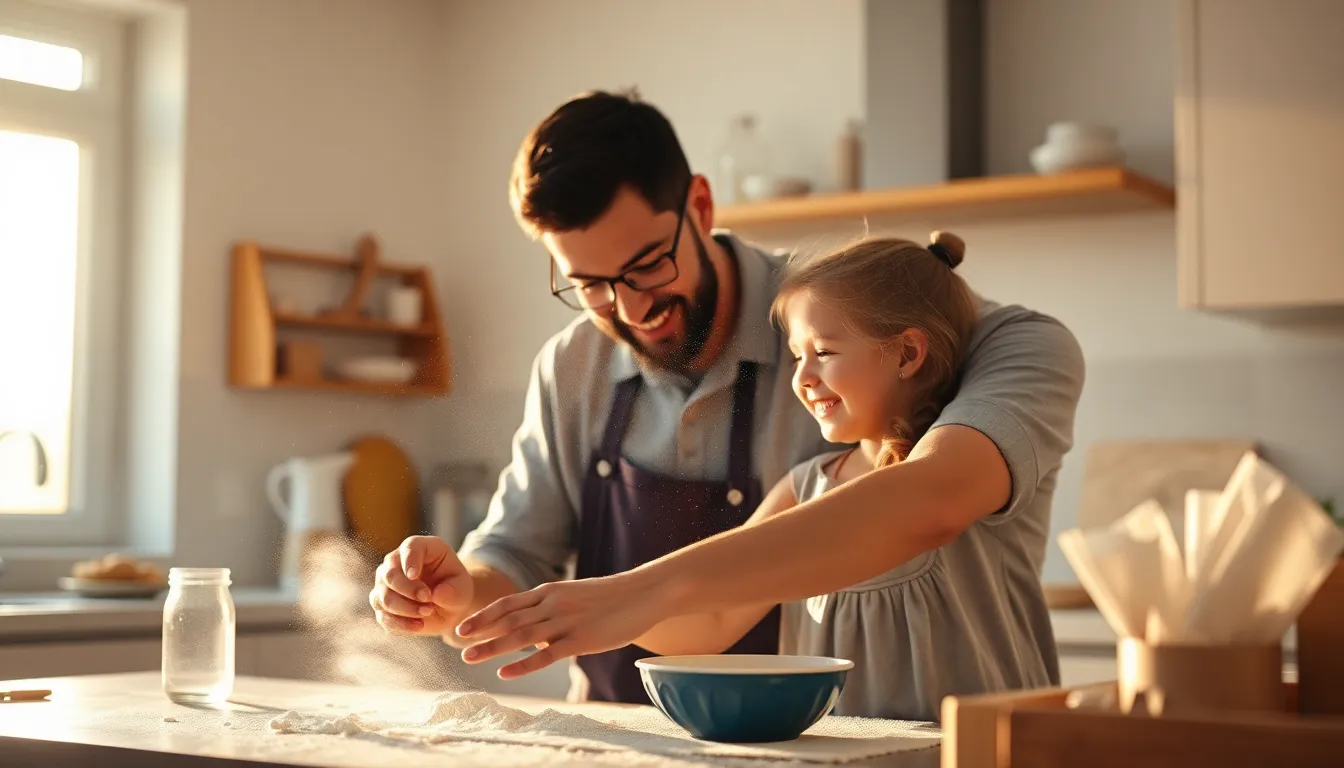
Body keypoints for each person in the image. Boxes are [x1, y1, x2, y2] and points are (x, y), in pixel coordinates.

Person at [367, 89, 1086, 708]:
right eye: (589, 286)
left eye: (648, 264)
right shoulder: (571, 367)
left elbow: (930, 497)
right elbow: (526, 558)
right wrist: (462, 592)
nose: (631, 307)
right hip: (638, 741)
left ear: (701, 205)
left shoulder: (997, 345)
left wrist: (639, 591)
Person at [452, 232, 1073, 722]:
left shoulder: (968, 476)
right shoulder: (804, 487)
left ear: (908, 353)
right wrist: (599, 612)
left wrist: (636, 594)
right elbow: (709, 624)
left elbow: (924, 503)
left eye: (824, 352)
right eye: (797, 354)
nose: (801, 377)